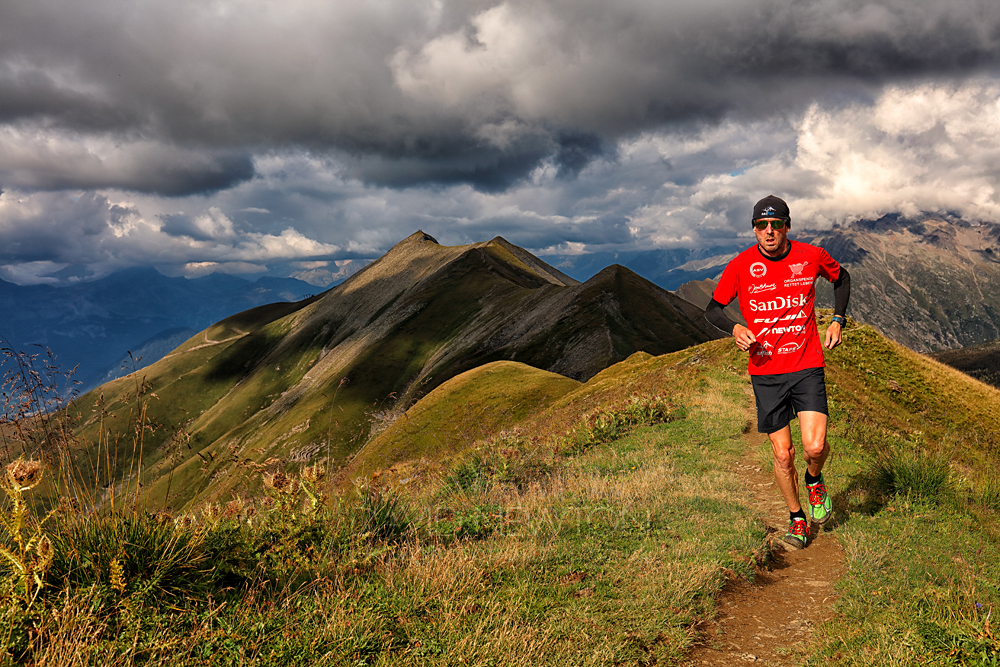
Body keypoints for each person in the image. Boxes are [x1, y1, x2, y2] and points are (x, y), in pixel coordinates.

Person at [704, 195, 851, 550]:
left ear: (787, 226)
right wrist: (735, 329)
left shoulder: (811, 256)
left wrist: (837, 319)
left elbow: (842, 278)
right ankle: (797, 518)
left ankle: (814, 479)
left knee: (814, 447)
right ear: (754, 228)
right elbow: (712, 310)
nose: (769, 232)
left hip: (807, 364)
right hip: (766, 372)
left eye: (776, 224)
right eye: (761, 225)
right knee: (782, 453)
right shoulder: (740, 265)